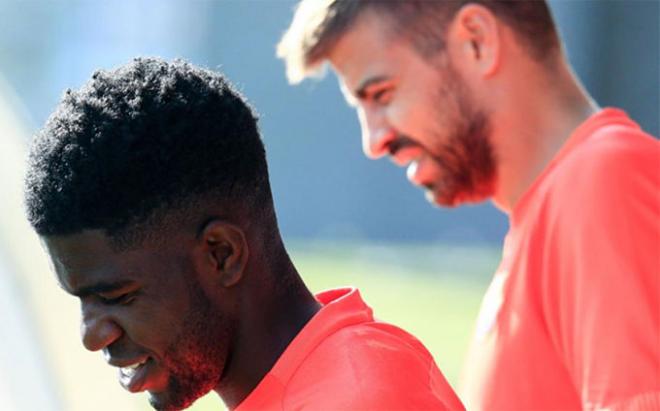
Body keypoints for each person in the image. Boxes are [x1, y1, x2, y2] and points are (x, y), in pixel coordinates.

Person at [277, 1, 660, 410]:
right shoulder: (549, 214)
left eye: (382, 94)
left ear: (476, 40)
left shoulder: (604, 178)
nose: (373, 141)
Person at [24, 57, 465, 411]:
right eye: (80, 299)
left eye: (117, 296)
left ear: (222, 254)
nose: (92, 336)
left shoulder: (362, 398)